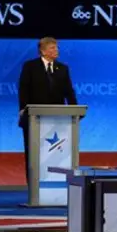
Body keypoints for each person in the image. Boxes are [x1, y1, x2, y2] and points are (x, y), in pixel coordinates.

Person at [18, 37, 77, 183]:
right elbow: (23, 88)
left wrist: (74, 110)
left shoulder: (63, 68)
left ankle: (56, 183)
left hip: (57, 119)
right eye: (52, 48)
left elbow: (69, 91)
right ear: (43, 51)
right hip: (34, 118)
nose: (56, 51)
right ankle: (33, 184)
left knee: (56, 151)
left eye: (56, 48)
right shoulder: (30, 66)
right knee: (33, 152)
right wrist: (23, 109)